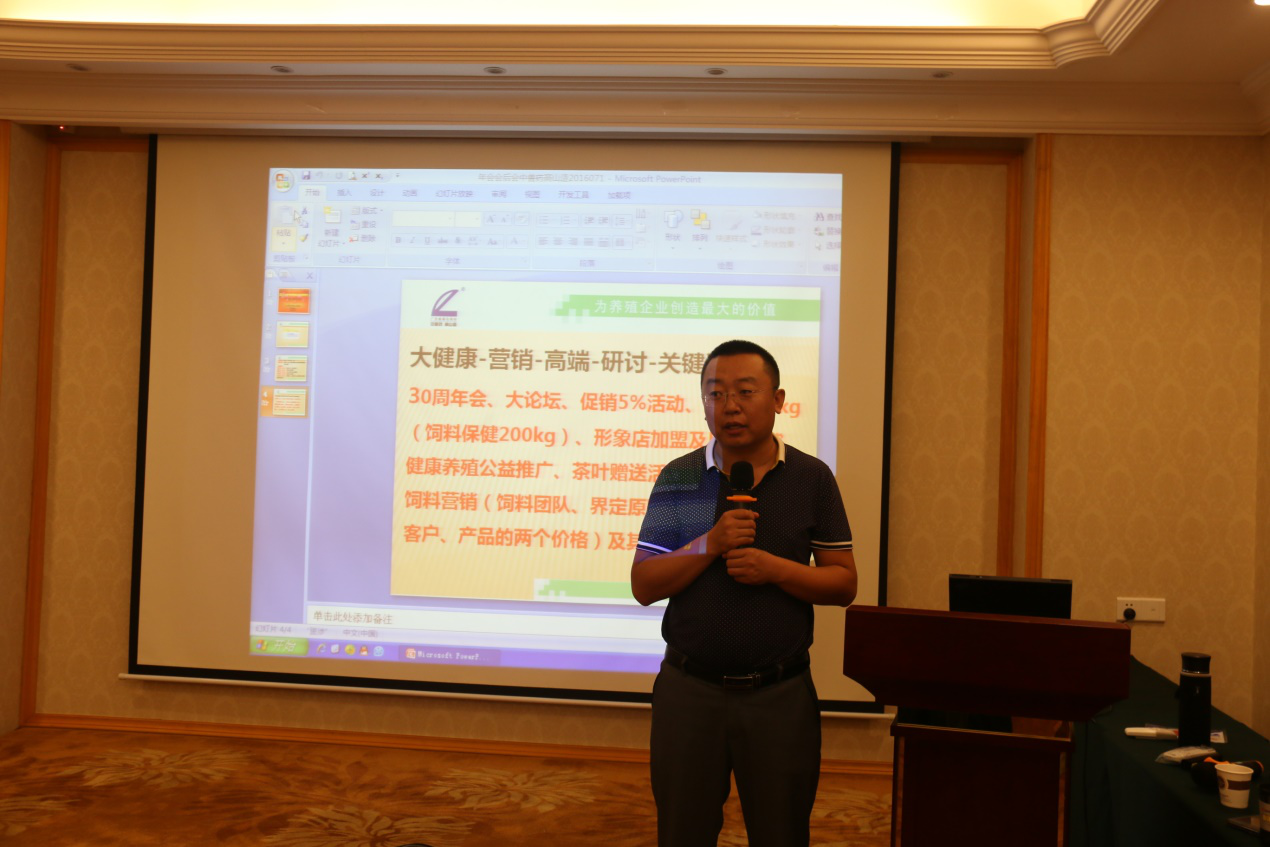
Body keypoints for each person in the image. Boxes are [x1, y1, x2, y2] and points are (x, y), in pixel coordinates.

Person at [631, 339, 857, 847]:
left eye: (744, 392)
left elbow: (844, 583)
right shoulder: (681, 476)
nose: (729, 406)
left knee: (781, 833)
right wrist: (709, 544)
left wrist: (775, 569)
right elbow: (644, 584)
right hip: (689, 693)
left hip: (779, 696)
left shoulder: (811, 478)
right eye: (715, 393)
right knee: (682, 834)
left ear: (777, 400)